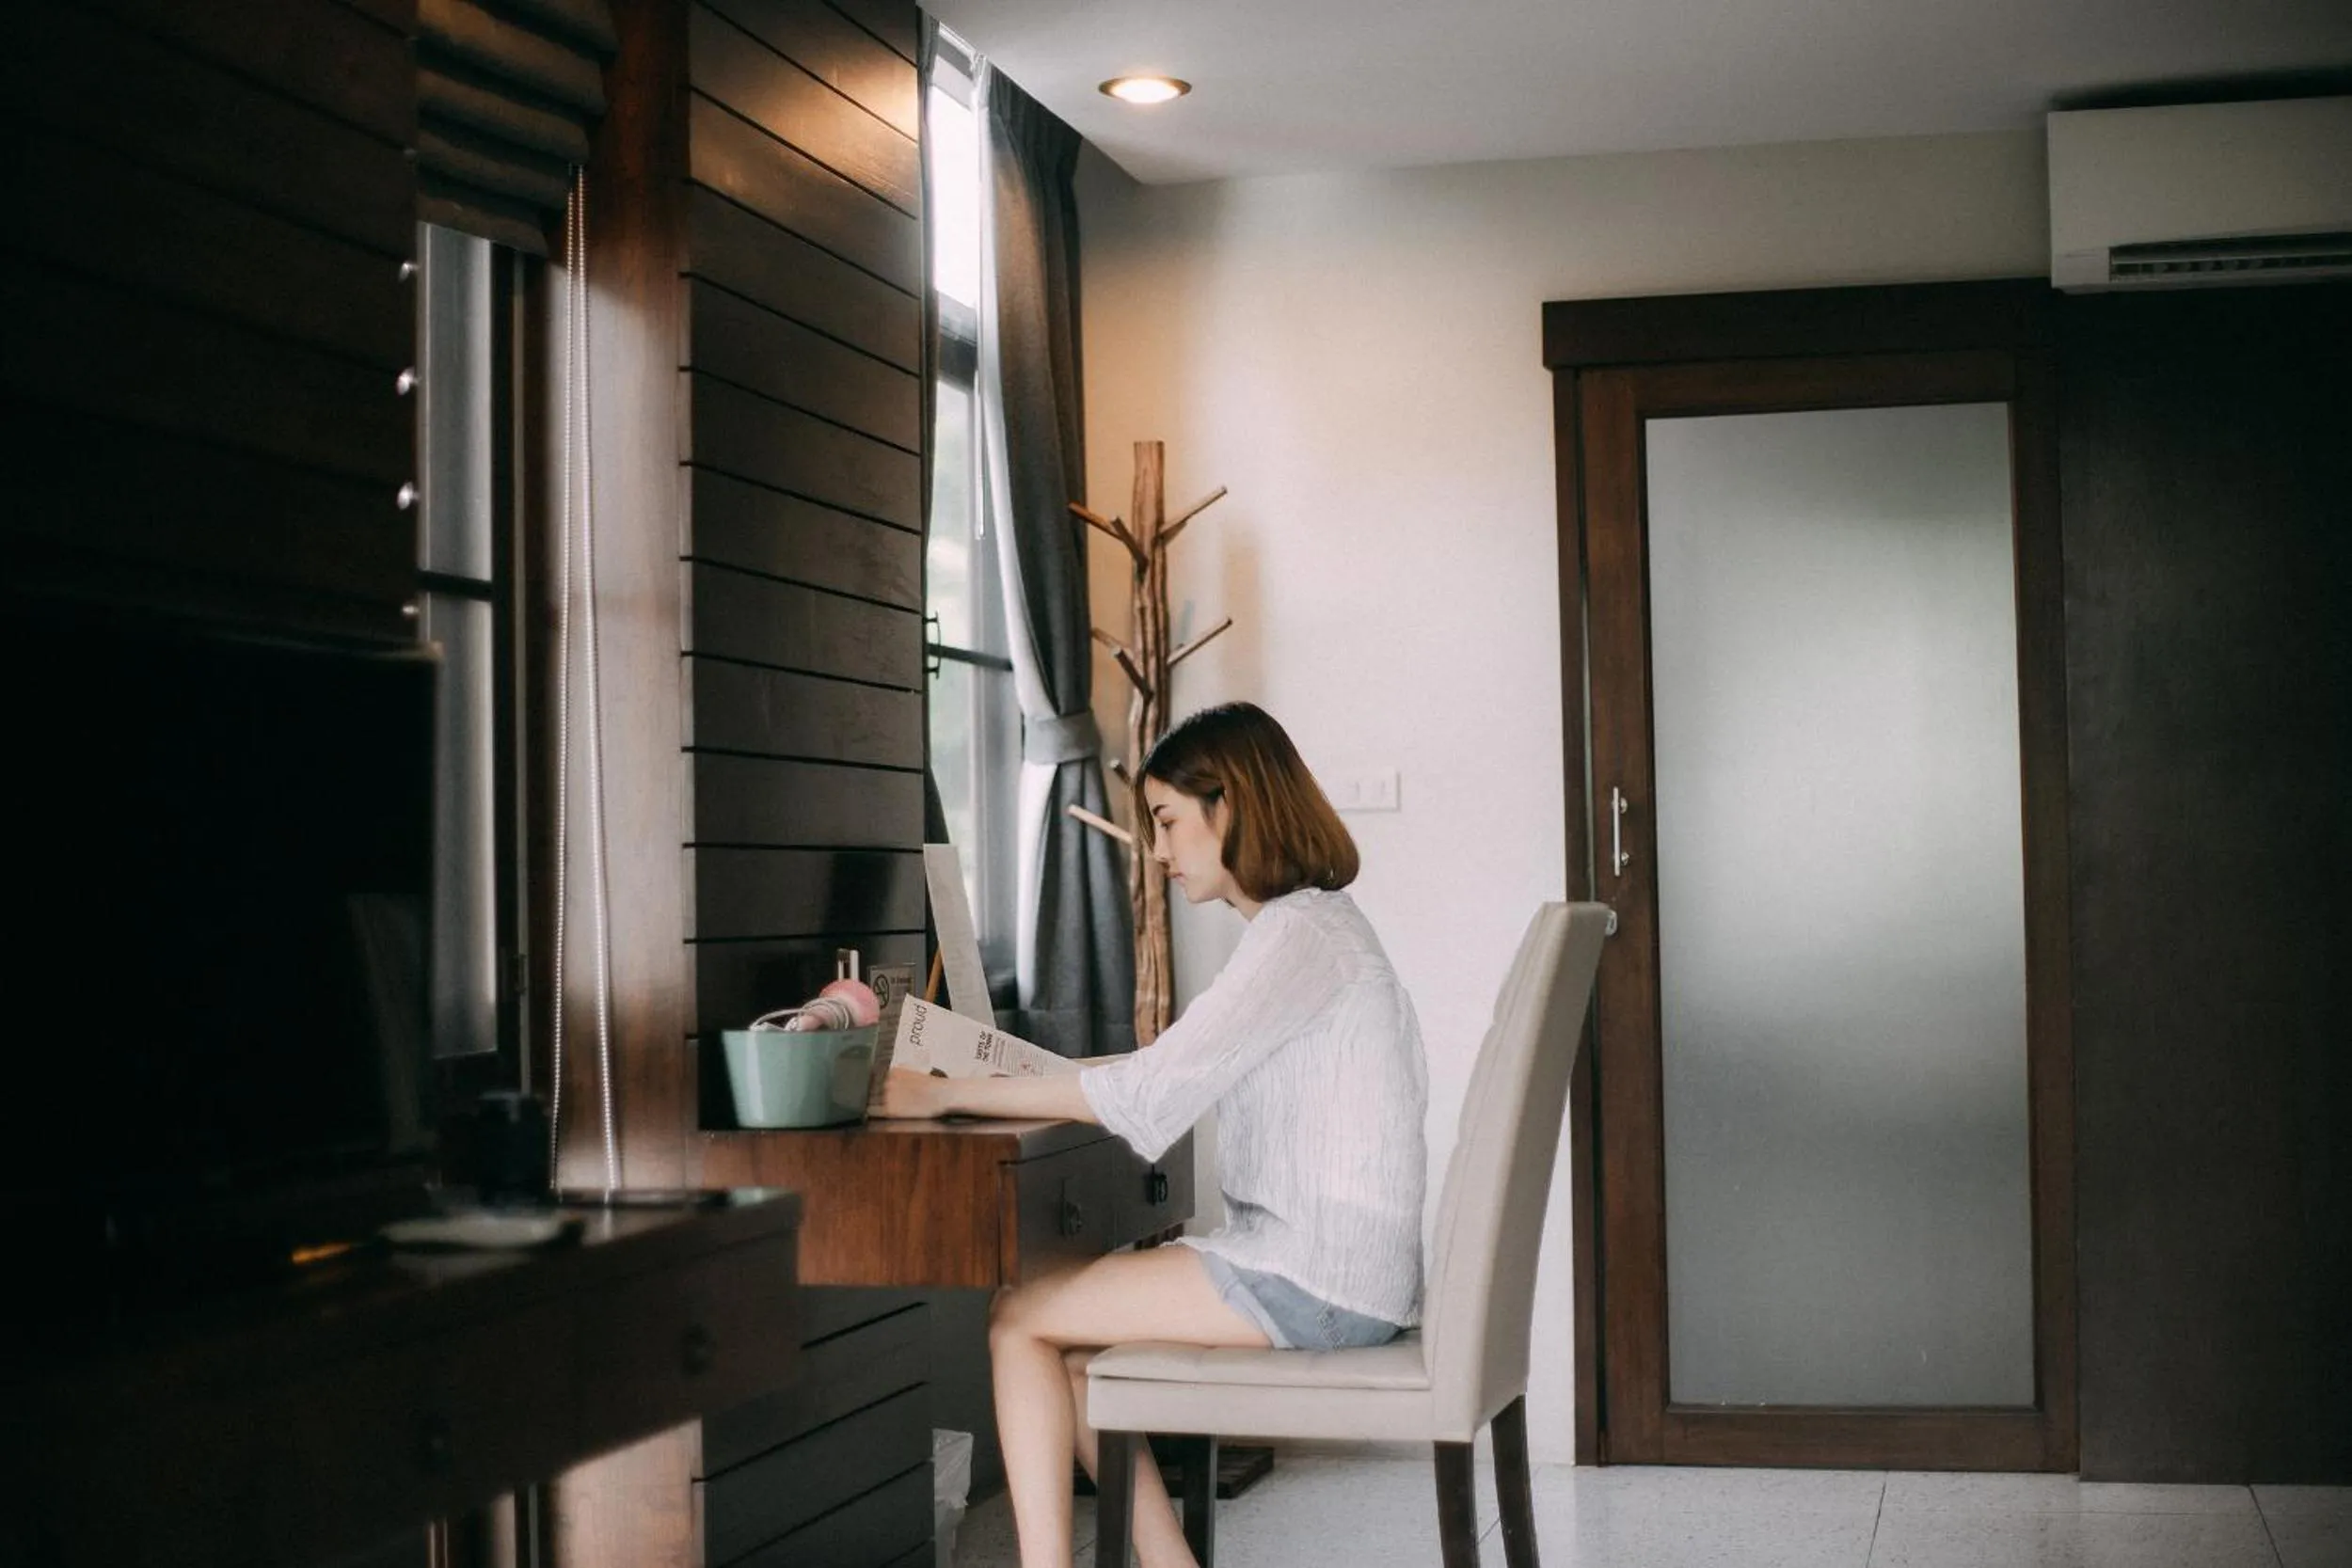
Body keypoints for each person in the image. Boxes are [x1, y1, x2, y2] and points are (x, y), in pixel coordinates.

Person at [879, 702, 1428, 1568]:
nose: (1160, 852)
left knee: (1018, 1315)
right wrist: (1006, 1080)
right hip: (1338, 1268)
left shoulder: (1295, 936)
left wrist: (946, 1099)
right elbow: (1173, 1063)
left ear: (1232, 805)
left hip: (1316, 1276)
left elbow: (1152, 1086)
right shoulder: (1314, 928)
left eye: (1169, 820)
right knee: (1080, 1351)